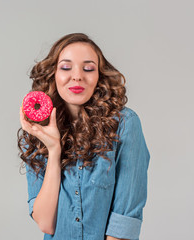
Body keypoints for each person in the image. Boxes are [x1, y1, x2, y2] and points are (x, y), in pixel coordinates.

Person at [17, 33, 150, 240]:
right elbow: (46, 223)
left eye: (88, 68)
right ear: (53, 75)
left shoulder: (124, 124)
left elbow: (123, 224)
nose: (77, 76)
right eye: (66, 67)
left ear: (99, 77)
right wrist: (53, 151)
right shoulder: (39, 131)